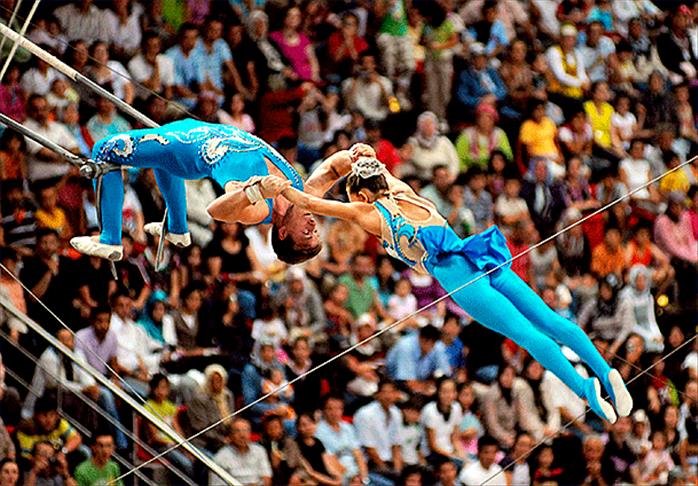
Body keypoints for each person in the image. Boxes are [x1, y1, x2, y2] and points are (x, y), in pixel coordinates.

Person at [278, 151, 632, 423]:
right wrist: (361, 156)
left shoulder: (369, 213)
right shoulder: (401, 188)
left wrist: (276, 189)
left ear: (361, 196)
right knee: (551, 320)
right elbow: (374, 166)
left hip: (459, 275)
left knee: (527, 335)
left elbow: (311, 203)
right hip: (478, 254)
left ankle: (585, 388)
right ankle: (605, 371)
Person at [69, 121, 362, 264]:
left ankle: (109, 238)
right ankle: (178, 229)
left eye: (308, 233)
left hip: (189, 151)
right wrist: (358, 157)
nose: (313, 224)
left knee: (105, 149)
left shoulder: (262, 210)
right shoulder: (302, 194)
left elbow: (217, 210)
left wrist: (256, 191)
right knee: (159, 158)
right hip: (198, 130)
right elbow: (333, 169)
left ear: (283, 233)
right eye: (315, 231)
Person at [210, 417, 273, 486]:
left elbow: (267, 477)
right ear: (230, 436)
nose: (242, 435)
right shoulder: (220, 457)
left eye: (246, 431)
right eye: (237, 431)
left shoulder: (259, 451)